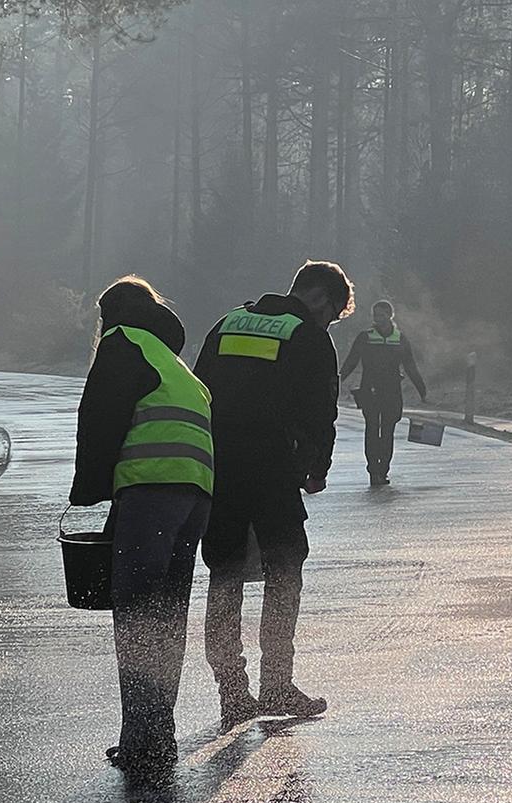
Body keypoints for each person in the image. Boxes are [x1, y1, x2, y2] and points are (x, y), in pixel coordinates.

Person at [193, 261, 349, 726]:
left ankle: (232, 693)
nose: (330, 324)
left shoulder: (227, 323)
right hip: (271, 471)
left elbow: (199, 391)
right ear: (320, 298)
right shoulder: (307, 335)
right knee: (284, 570)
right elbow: (321, 412)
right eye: (333, 315)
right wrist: (315, 470)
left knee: (224, 575)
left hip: (220, 469)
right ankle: (277, 685)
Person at [70, 276, 214, 773]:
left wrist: (87, 490)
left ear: (109, 315)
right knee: (167, 614)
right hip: (195, 495)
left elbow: (99, 418)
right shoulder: (171, 360)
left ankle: (140, 741)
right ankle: (159, 735)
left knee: (135, 614)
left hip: (152, 490)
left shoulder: (121, 343)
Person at [340, 300, 428, 485]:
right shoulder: (365, 337)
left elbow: (410, 366)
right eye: (375, 315)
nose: (377, 319)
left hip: (392, 392)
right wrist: (337, 380)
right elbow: (351, 361)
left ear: (390, 315)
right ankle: (373, 471)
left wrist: (422, 390)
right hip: (369, 390)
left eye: (381, 315)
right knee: (372, 429)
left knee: (387, 431)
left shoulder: (400, 338)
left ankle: (383, 470)